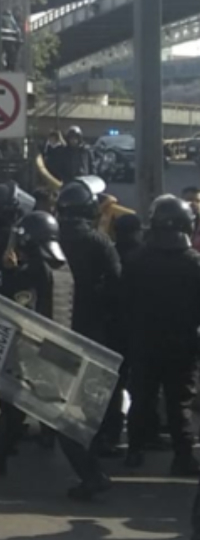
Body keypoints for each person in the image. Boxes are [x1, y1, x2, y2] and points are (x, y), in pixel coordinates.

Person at [0, 211, 67, 475]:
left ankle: (90, 474)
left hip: (35, 346)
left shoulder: (31, 270)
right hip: (57, 343)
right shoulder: (59, 268)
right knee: (25, 404)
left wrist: (11, 270)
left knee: (32, 406)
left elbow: (17, 305)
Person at [121, 196, 200, 476]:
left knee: (142, 397)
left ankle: (134, 451)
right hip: (183, 344)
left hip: (143, 341)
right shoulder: (194, 263)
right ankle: (183, 456)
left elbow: (123, 303)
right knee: (179, 402)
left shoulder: (136, 260)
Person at [55, 176, 120, 499]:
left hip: (53, 331)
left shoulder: (48, 237)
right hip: (93, 332)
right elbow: (116, 284)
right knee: (89, 402)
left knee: (60, 406)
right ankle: (97, 458)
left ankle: (91, 470)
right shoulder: (99, 242)